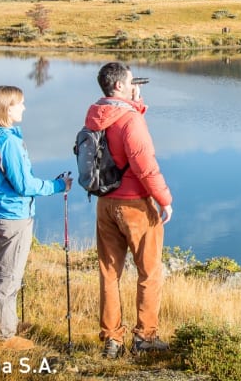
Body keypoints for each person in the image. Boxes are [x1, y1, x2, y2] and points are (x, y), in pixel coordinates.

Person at [0, 85, 72, 351]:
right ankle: (2, 337)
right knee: (9, 277)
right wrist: (59, 185)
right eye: (20, 104)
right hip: (13, 216)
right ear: (7, 108)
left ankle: (8, 322)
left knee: (7, 272)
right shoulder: (7, 141)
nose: (24, 108)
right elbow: (25, 185)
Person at [85, 62, 173, 358]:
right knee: (149, 272)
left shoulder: (96, 114)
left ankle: (112, 339)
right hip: (134, 204)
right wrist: (164, 199)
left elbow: (116, 142)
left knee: (109, 273)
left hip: (104, 203)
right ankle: (144, 338)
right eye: (131, 81)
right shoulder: (130, 120)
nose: (135, 84)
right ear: (120, 85)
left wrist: (136, 105)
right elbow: (144, 164)